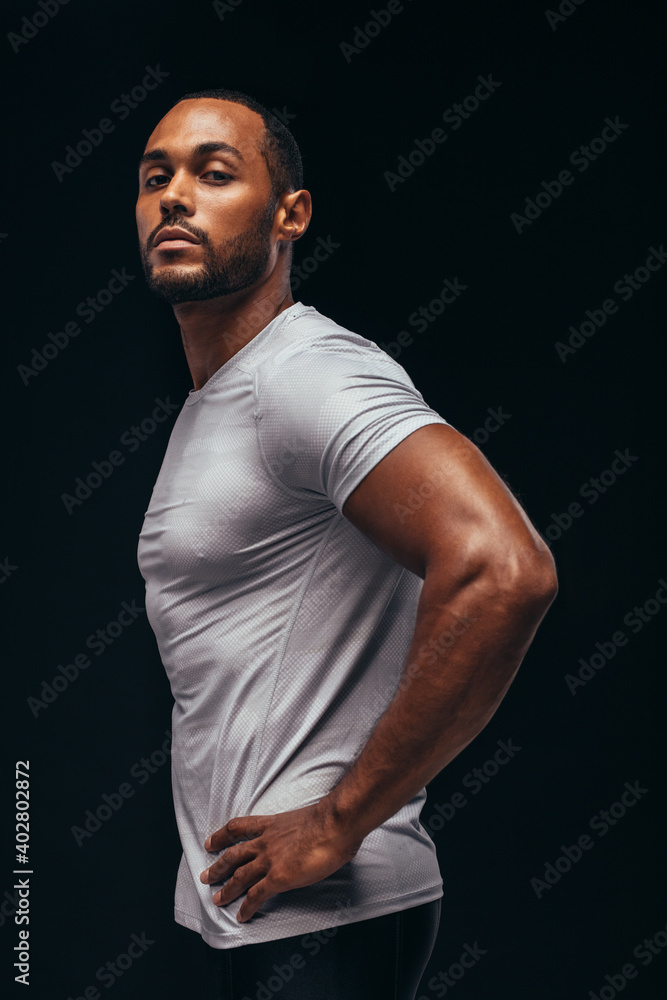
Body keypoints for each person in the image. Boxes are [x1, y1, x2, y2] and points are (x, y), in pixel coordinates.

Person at [135, 88, 558, 999]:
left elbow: (504, 570)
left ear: (290, 216)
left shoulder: (308, 375)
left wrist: (336, 822)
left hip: (323, 921)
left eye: (214, 174)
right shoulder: (223, 397)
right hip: (241, 915)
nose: (174, 196)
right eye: (154, 176)